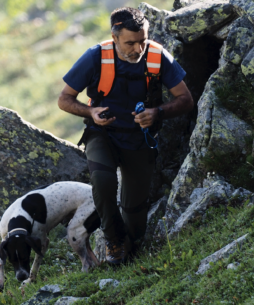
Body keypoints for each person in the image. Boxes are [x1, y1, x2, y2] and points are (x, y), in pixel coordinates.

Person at [57, 7, 194, 265]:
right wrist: (91, 112)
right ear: (114, 36)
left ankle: (128, 260)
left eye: (142, 41)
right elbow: (64, 99)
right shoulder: (95, 57)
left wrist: (157, 112)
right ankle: (113, 242)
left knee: (134, 214)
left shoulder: (157, 56)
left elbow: (186, 99)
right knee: (103, 182)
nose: (137, 49)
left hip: (139, 139)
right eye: (130, 43)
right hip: (102, 134)